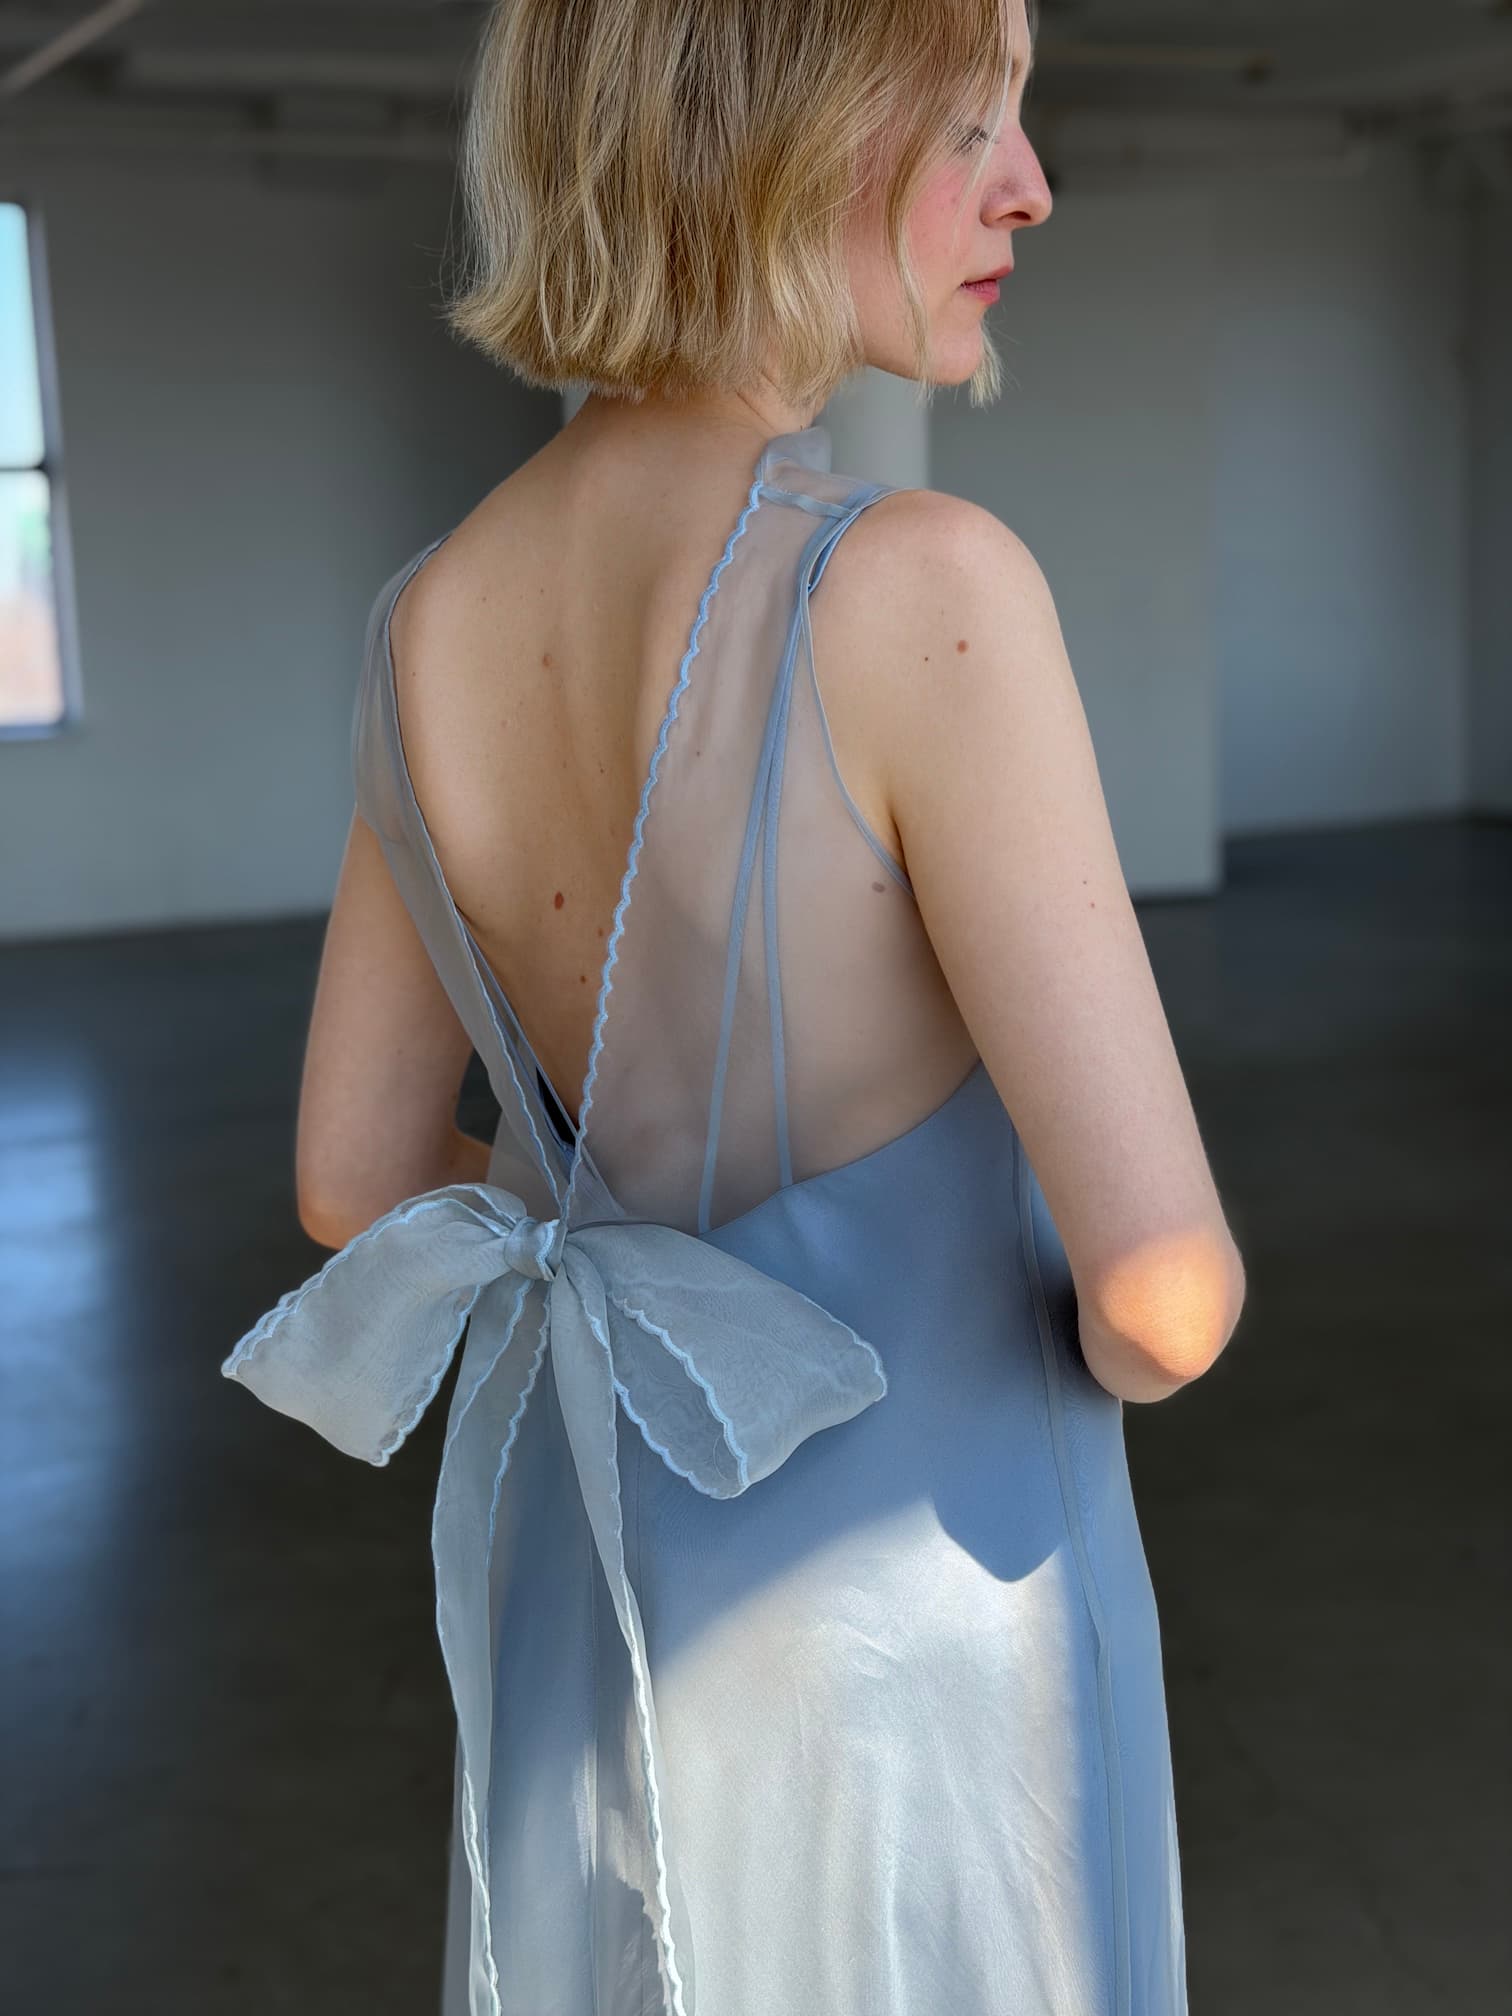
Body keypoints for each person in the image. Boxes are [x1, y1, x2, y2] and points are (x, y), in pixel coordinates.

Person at [222, 0, 1247, 2010]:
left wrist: (647, 1250)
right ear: (792, 136)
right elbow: (1164, 1297)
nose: (1030, 183)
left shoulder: (426, 618)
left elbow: (352, 1184)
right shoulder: (921, 586)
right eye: (975, 124)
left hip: (591, 1606)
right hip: (920, 1644)